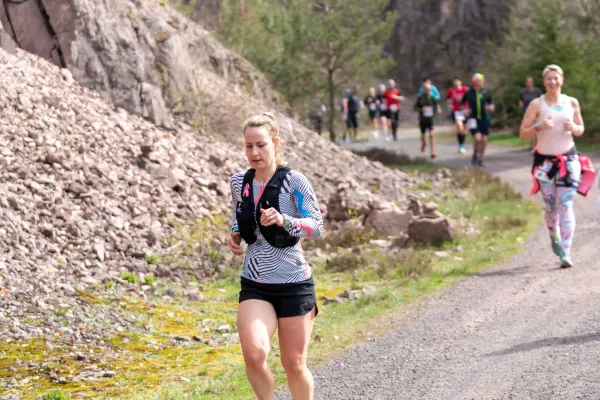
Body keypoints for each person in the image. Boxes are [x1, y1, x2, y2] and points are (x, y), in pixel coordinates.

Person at [229, 112, 324, 399]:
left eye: (261, 145)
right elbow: (238, 217)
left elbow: (316, 226)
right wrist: (235, 234)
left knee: (293, 365)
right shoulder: (239, 183)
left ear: (275, 143)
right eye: (249, 146)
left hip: (294, 283)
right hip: (256, 282)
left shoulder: (294, 181)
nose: (254, 153)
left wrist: (285, 220)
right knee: (255, 355)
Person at [519, 65, 595, 269]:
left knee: (566, 204)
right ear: (544, 82)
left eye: (556, 78)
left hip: (569, 161)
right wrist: (539, 127)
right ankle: (554, 236)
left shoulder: (571, 102)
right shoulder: (537, 104)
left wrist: (574, 128)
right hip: (545, 162)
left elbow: (580, 129)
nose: (553, 82)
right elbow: (523, 133)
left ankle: (566, 253)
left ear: (562, 79)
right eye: (549, 79)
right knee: (551, 206)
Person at [462, 73, 494, 167]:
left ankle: (480, 157)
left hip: (484, 118)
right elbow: (462, 103)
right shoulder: (469, 92)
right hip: (473, 118)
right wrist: (465, 110)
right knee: (477, 137)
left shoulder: (485, 92)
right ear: (475, 81)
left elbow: (491, 103)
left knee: (484, 139)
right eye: (480, 80)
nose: (482, 82)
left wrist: (491, 107)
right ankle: (475, 152)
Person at [414, 81, 442, 158]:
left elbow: (436, 104)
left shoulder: (432, 97)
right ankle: (423, 143)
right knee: (423, 135)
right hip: (423, 119)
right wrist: (421, 109)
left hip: (430, 118)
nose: (428, 90)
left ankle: (432, 151)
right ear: (423, 89)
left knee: (432, 134)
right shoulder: (420, 98)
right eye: (426, 89)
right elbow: (415, 108)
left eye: (429, 89)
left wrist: (438, 109)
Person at [519, 76, 543, 153]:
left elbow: (542, 101)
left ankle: (534, 147)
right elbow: (521, 102)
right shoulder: (523, 92)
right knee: (531, 130)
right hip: (527, 113)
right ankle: (533, 146)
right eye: (528, 82)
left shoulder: (537, 91)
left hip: (537, 113)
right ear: (526, 83)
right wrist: (521, 107)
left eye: (531, 82)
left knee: (535, 129)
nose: (529, 83)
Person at [447, 77, 469, 154]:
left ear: (460, 82)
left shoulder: (465, 89)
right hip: (456, 111)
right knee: (460, 127)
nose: (456, 83)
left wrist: (468, 109)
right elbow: (449, 100)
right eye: (454, 82)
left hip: (465, 111)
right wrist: (451, 107)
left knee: (464, 130)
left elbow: (470, 99)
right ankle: (461, 146)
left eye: (457, 82)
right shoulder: (451, 91)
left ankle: (461, 145)